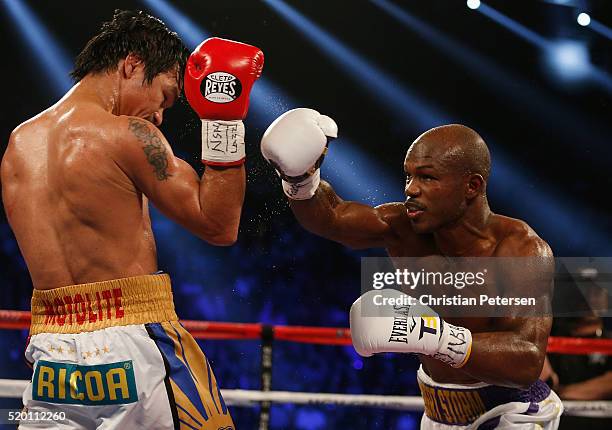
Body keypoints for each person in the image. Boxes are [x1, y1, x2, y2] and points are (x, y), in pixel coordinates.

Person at [1, 10, 262, 429]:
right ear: (132, 64)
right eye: (165, 95)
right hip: (133, 341)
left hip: (52, 353)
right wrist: (223, 119)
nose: (160, 115)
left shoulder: (18, 145)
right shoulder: (127, 135)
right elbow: (219, 225)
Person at [261, 108, 564, 429]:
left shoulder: (520, 249)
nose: (410, 189)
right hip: (440, 413)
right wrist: (301, 179)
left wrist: (434, 336)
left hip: (513, 411)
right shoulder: (403, 227)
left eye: (427, 177)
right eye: (409, 176)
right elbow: (332, 217)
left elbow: (527, 359)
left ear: (472, 186)